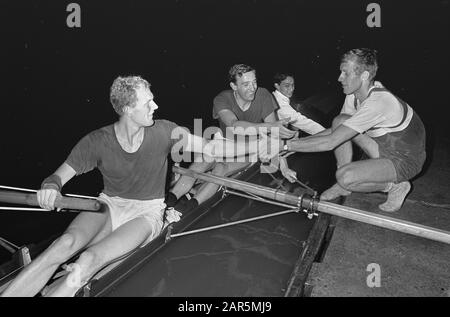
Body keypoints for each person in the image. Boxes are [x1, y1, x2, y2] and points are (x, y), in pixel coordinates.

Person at [1, 75, 273, 297]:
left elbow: (212, 146)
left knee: (86, 263)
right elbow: (58, 176)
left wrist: (256, 146)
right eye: (148, 102)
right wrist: (50, 186)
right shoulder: (97, 141)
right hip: (109, 204)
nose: (155, 106)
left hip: (147, 212)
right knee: (64, 244)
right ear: (128, 110)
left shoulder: (164, 130)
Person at [281, 48, 426, 212]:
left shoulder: (379, 101)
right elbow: (336, 131)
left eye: (345, 73)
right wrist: (296, 143)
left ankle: (394, 186)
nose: (339, 78)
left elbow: (331, 142)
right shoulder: (354, 95)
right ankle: (343, 186)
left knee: (345, 176)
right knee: (340, 120)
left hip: (405, 161)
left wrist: (287, 146)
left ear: (364, 76)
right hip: (384, 148)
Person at [165, 64, 298, 212]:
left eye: (254, 82)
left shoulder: (264, 95)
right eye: (246, 84)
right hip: (224, 143)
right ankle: (170, 200)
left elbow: (275, 134)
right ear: (234, 86)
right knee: (202, 161)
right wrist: (270, 126)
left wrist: (284, 167)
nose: (252, 88)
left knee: (221, 168)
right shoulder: (222, 99)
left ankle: (188, 209)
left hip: (249, 149)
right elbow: (235, 125)